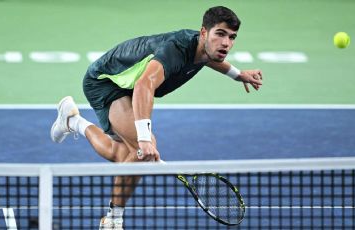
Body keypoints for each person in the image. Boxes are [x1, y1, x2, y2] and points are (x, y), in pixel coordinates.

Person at [50, 6, 263, 229]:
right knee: (143, 149)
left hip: (128, 86)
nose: (226, 43)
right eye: (220, 34)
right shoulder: (177, 49)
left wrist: (238, 75)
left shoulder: (204, 49)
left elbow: (212, 58)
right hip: (106, 82)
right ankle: (112, 221)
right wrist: (143, 138)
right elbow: (145, 84)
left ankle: (72, 121)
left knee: (122, 155)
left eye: (232, 37)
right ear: (203, 33)